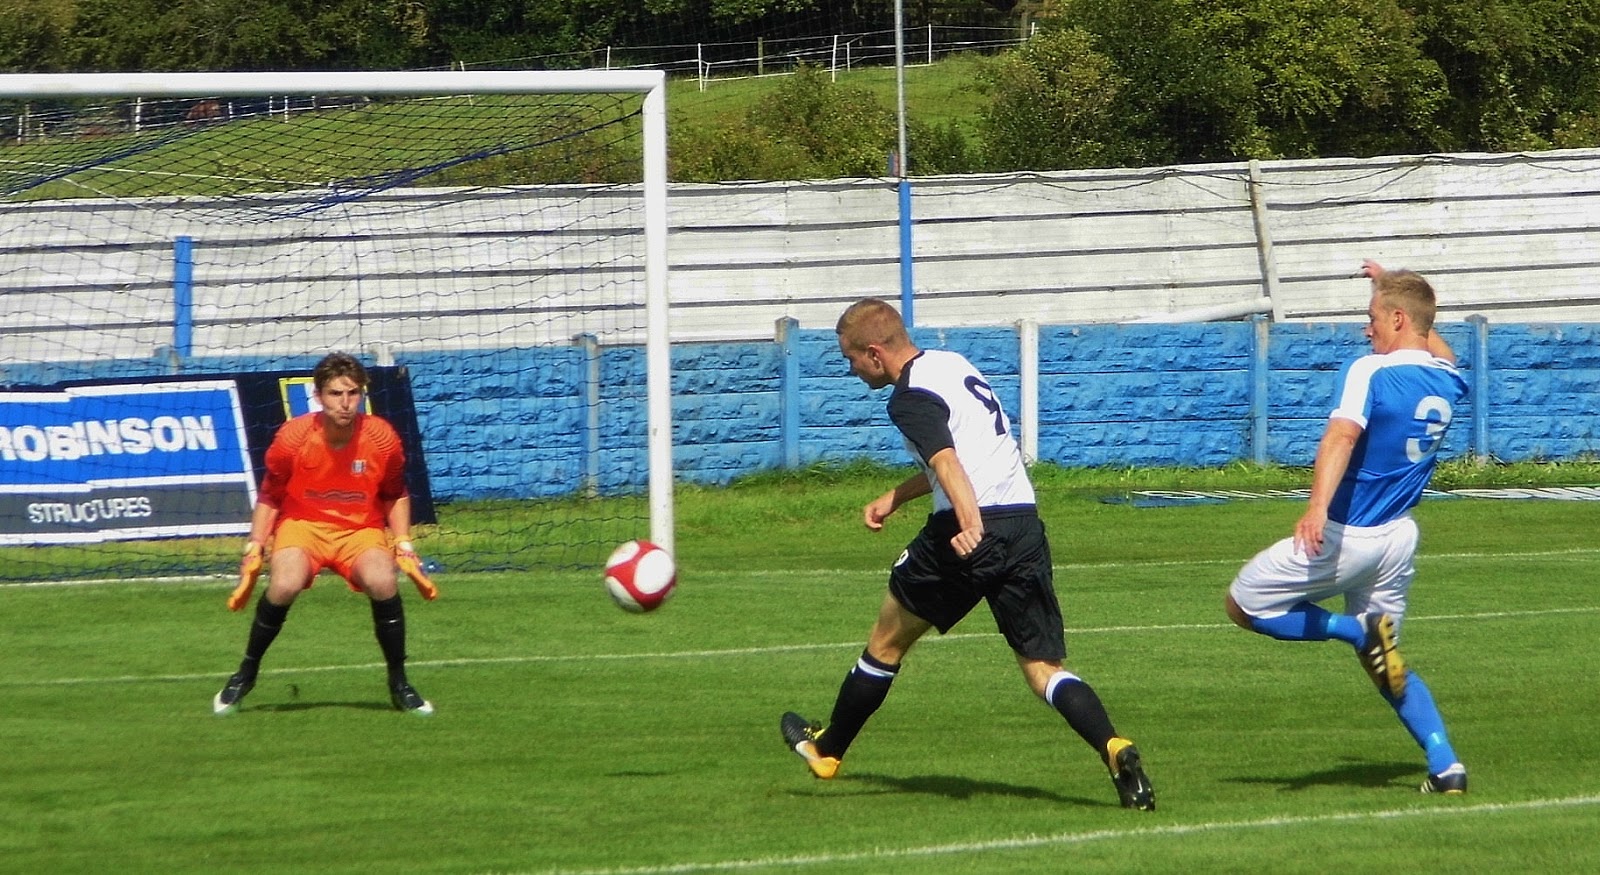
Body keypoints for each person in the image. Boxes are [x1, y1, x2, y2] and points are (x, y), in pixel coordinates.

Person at [780, 298, 1155, 810]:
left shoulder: (908, 398)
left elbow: (948, 460)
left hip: (968, 529)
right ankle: (1114, 746)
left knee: (886, 644)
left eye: (850, 358)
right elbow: (970, 454)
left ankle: (827, 751)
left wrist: (969, 520)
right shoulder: (954, 365)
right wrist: (895, 497)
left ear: (873, 352)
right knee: (1043, 667)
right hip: (1023, 523)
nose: (851, 370)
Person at [1225, 260, 1469, 794]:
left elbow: (1340, 437)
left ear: (1399, 320)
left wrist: (1316, 508)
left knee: (1243, 605)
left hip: (1348, 535)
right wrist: (1393, 289)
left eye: (1374, 317)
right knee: (1386, 664)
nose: (1367, 329)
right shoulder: (1450, 379)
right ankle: (1445, 764)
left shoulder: (1370, 371)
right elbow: (1438, 346)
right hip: (1398, 540)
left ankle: (1353, 630)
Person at [213, 352, 434, 715]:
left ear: (361, 394)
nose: (344, 403)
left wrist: (404, 543)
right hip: (303, 526)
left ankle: (399, 682)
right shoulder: (293, 438)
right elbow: (271, 494)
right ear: (318, 396)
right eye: (335, 394)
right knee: (284, 585)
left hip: (360, 529)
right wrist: (254, 544)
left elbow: (395, 493)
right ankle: (246, 672)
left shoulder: (382, 438)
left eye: (352, 393)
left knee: (383, 581)